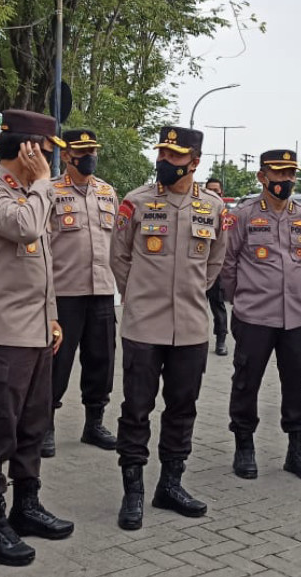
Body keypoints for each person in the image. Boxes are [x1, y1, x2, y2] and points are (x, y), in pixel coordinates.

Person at [0, 110, 74, 567]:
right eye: (46, 151)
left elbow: (41, 266)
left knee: (31, 429)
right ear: (27, 149)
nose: (50, 161)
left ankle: (25, 508)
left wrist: (52, 317)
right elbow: (26, 229)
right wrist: (45, 182)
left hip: (34, 334)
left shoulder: (30, 194)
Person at [111, 126, 227, 531]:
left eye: (174, 156)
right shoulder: (136, 202)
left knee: (182, 409)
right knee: (136, 409)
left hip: (192, 328)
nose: (164, 162)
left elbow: (214, 263)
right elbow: (119, 257)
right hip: (144, 325)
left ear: (194, 162)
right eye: (162, 153)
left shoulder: (212, 208)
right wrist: (141, 295)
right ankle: (134, 490)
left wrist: (188, 293)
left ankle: (170, 485)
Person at [220, 150, 301, 482]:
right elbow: (228, 263)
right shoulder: (242, 215)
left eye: (290, 174)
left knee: (296, 384)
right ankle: (244, 447)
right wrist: (242, 297)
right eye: (278, 174)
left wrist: (290, 286)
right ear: (262, 177)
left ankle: (297, 450)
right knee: (246, 382)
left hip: (294, 316)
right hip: (254, 316)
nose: (285, 181)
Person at [41, 129, 119, 458]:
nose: (90, 156)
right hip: (65, 294)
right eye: (83, 151)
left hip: (101, 290)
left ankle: (94, 423)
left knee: (101, 360)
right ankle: (45, 425)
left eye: (93, 150)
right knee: (56, 364)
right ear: (68, 156)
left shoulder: (107, 192)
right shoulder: (49, 192)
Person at [204, 177, 229, 356]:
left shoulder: (226, 215)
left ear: (222, 193)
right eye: (209, 190)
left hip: (217, 268)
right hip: (195, 267)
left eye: (217, 191)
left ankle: (221, 341)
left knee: (217, 305)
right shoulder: (196, 210)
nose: (213, 193)